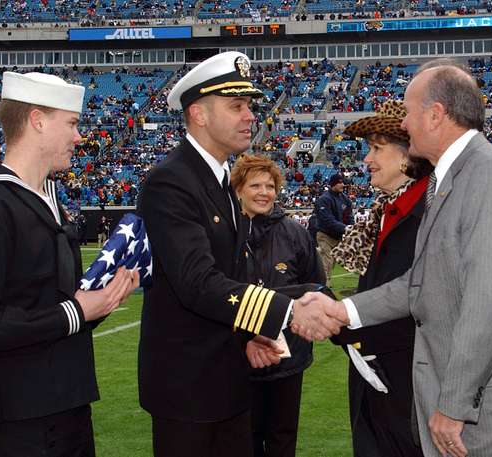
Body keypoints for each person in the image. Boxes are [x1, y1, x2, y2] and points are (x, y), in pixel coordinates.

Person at [296, 59, 492, 457]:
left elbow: (491, 302)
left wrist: (453, 404)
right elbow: (422, 281)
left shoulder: (490, 175)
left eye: (410, 111)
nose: (406, 123)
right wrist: (344, 312)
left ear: (435, 115)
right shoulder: (449, 181)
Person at [136, 51, 342, 457]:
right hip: (189, 392)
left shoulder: (219, 183)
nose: (250, 116)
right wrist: (288, 310)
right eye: (237, 106)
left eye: (249, 106)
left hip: (228, 378)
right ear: (198, 113)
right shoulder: (171, 183)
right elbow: (198, 283)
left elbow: (230, 280)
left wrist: (246, 339)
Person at [0, 71, 138, 457]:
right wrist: (76, 311)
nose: (79, 136)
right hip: (17, 428)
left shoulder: (51, 206)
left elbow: (48, 307)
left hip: (67, 413)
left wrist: (97, 304)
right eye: (72, 123)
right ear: (37, 120)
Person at [331, 100, 431, 457]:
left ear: (408, 154)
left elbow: (418, 300)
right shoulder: (387, 208)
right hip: (379, 372)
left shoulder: (428, 212)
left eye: (376, 148)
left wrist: (340, 321)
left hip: (405, 380)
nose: (366, 160)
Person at [231, 154, 326, 457]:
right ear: (238, 189)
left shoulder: (295, 233)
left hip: (289, 358)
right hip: (238, 357)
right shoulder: (225, 234)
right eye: (255, 185)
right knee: (242, 438)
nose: (264, 192)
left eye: (270, 185)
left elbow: (316, 287)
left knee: (283, 438)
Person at [314, 173, 353, 285]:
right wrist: (346, 228)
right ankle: (323, 284)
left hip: (338, 235)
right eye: (340, 182)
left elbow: (349, 216)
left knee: (333, 261)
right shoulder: (324, 199)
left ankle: (324, 279)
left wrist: (352, 227)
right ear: (333, 184)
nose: (342, 184)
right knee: (328, 259)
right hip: (325, 234)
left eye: (342, 182)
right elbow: (327, 220)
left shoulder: (345, 199)